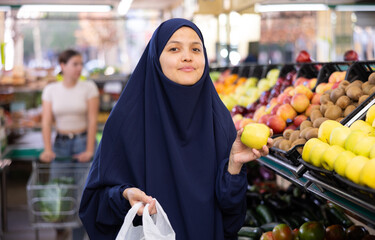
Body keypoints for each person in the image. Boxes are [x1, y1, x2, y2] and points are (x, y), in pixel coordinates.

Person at [79, 18, 272, 240]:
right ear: (155, 57)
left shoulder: (219, 121)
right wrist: (124, 196)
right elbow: (94, 204)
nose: (187, 56)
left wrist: (234, 166)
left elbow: (231, 216)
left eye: (196, 49)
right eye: (174, 48)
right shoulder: (126, 120)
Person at [40, 49, 100, 240]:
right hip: (61, 146)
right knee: (61, 192)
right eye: (75, 64)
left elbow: (92, 121)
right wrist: (48, 149)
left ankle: (77, 236)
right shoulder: (51, 90)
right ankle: (61, 230)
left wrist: (90, 149)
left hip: (84, 141)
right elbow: (46, 122)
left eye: (81, 64)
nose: (79, 68)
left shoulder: (88, 87)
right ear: (63, 66)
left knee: (83, 195)